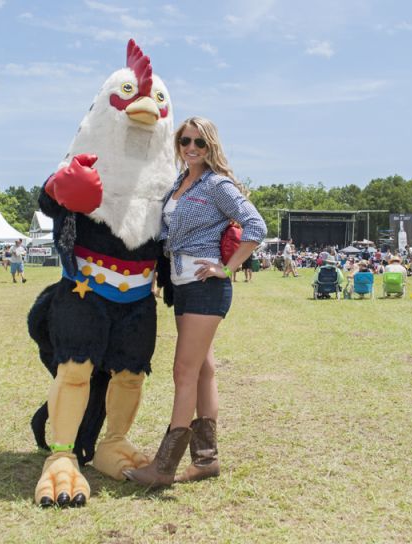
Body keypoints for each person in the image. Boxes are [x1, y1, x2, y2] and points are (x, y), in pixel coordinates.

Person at [124, 116, 267, 487]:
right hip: (182, 285)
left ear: (210, 146)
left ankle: (164, 466)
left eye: (199, 143)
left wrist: (228, 267)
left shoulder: (217, 184)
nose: (191, 148)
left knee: (183, 372)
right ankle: (205, 460)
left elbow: (256, 226)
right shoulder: (180, 182)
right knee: (202, 370)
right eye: (185, 141)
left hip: (206, 287)